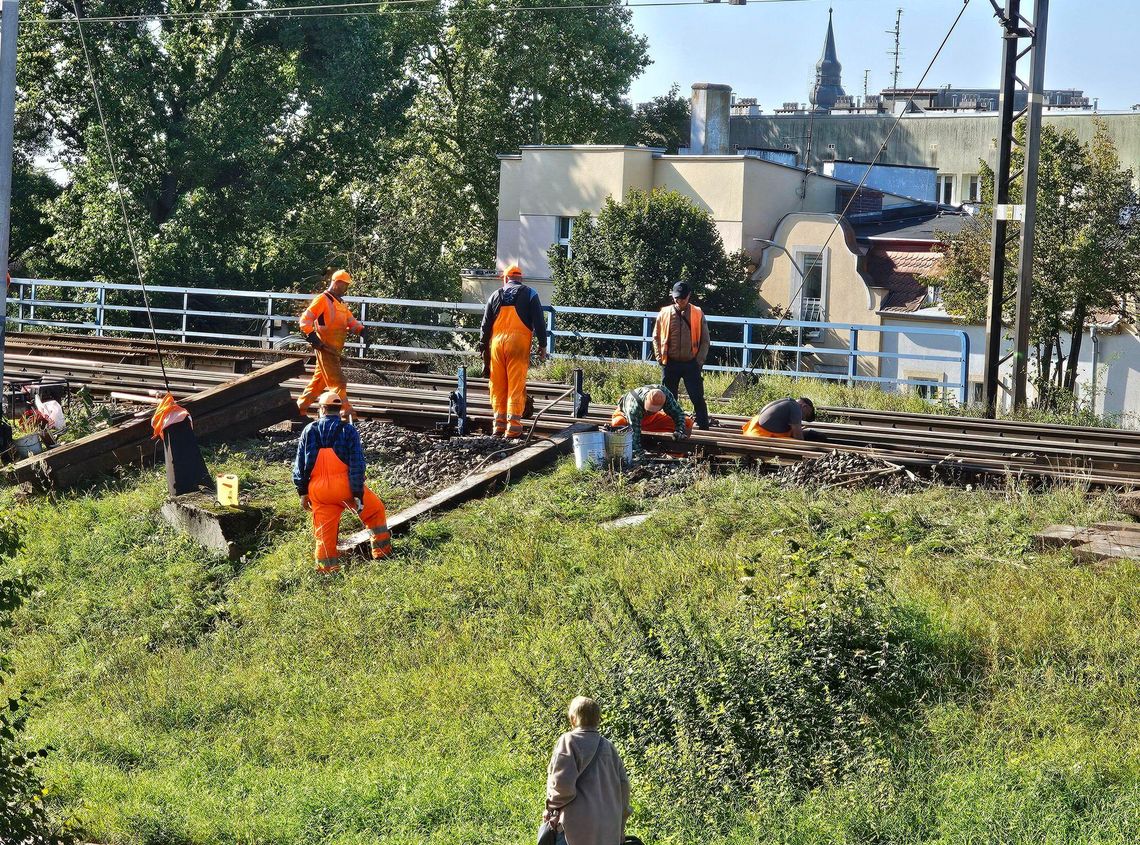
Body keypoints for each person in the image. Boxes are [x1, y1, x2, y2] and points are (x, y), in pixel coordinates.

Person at [293, 390, 392, 574]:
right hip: (344, 487)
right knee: (375, 511)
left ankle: (327, 570)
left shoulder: (309, 430)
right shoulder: (348, 430)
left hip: (319, 491)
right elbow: (357, 464)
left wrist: (302, 492)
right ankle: (382, 553)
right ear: (340, 410)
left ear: (322, 409)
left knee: (324, 534)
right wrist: (357, 494)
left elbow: (300, 464)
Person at [544, 697, 631, 845]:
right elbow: (624, 785)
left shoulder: (568, 741)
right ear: (598, 720)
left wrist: (550, 807)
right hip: (609, 828)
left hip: (576, 827)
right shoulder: (609, 747)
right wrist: (621, 824)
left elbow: (562, 786)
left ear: (572, 719)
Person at [478, 264, 547, 438]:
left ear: (505, 279)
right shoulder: (530, 294)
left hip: (496, 345)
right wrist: (542, 345)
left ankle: (498, 426)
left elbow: (485, 326)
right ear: (520, 279)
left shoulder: (495, 295)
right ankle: (513, 428)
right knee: (515, 385)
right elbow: (539, 321)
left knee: (498, 386)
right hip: (518, 344)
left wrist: (482, 347)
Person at [297, 269, 365, 417]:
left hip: (335, 350)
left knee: (319, 382)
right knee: (338, 381)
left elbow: (351, 322)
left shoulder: (341, 304)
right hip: (325, 347)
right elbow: (305, 319)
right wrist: (311, 336)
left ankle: (300, 407)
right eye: (344, 285)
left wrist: (362, 331)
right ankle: (345, 411)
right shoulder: (323, 299)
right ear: (337, 283)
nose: (346, 289)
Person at [652, 281, 711, 430]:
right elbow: (656, 337)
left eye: (683, 298)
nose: (680, 301)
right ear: (673, 296)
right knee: (669, 399)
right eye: (677, 298)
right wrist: (660, 358)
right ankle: (671, 424)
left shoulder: (698, 313)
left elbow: (705, 340)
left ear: (689, 296)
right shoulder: (664, 313)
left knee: (697, 396)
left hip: (691, 363)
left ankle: (703, 425)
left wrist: (699, 361)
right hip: (670, 362)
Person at [612, 385, 692, 456]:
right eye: (650, 410)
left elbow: (678, 414)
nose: (651, 412)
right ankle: (622, 454)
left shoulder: (665, 394)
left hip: (651, 419)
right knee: (618, 423)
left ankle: (676, 454)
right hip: (628, 418)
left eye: (654, 410)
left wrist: (679, 430)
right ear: (646, 399)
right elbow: (634, 436)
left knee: (687, 422)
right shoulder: (633, 405)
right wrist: (640, 456)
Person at [742, 397, 815, 440]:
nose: (802, 418)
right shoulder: (796, 408)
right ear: (805, 406)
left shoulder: (787, 401)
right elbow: (798, 436)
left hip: (754, 431)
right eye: (805, 415)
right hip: (761, 435)